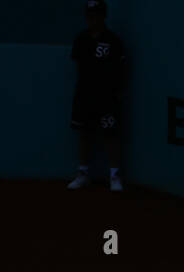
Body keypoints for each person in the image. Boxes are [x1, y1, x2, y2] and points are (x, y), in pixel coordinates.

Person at [67, 0, 126, 192]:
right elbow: (78, 67)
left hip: (107, 98)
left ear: (103, 16)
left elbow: (120, 70)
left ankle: (115, 176)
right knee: (84, 134)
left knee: (111, 135)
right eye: (89, 15)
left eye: (96, 15)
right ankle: (82, 174)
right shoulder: (81, 39)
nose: (92, 19)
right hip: (84, 96)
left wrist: (115, 92)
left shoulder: (114, 41)